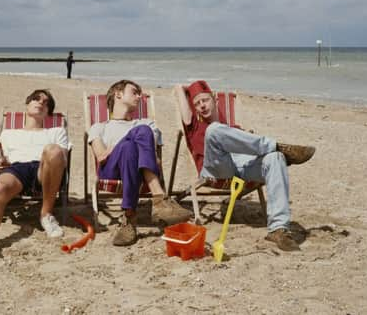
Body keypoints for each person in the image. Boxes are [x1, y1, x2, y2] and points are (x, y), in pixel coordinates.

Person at [173, 80, 316, 251]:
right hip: (215, 171)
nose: (201, 106)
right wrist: (181, 88)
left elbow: (247, 156)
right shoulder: (194, 126)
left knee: (276, 158)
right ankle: (276, 145)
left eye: (205, 100)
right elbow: (182, 101)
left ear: (214, 100)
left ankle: (278, 229)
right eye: (197, 104)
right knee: (213, 130)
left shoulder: (234, 129)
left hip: (240, 169)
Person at [88, 80, 192, 246]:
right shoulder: (99, 127)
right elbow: (101, 156)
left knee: (131, 146)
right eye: (134, 92)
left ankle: (129, 217)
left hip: (139, 170)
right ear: (118, 94)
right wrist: (123, 142)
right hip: (111, 170)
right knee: (135, 137)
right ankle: (159, 198)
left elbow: (155, 158)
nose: (139, 96)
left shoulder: (147, 123)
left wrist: (129, 144)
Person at [0, 89, 68, 254]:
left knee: (53, 150)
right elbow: (4, 160)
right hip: (16, 168)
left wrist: (51, 155)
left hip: (44, 169)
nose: (41, 103)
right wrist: (3, 163)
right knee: (1, 185)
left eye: (46, 102)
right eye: (36, 99)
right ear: (27, 105)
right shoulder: (8, 134)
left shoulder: (56, 131)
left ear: (49, 112)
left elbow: (62, 159)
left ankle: (46, 215)